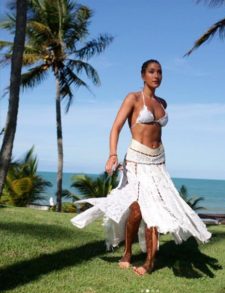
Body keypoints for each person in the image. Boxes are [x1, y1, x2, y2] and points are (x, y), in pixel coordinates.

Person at [71, 59, 211, 276]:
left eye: (160, 72)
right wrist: (112, 154)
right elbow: (116, 128)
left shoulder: (163, 103)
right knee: (136, 211)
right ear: (143, 75)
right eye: (152, 72)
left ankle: (149, 262)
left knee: (153, 210)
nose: (157, 76)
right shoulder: (133, 98)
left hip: (158, 161)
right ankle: (127, 252)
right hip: (136, 160)